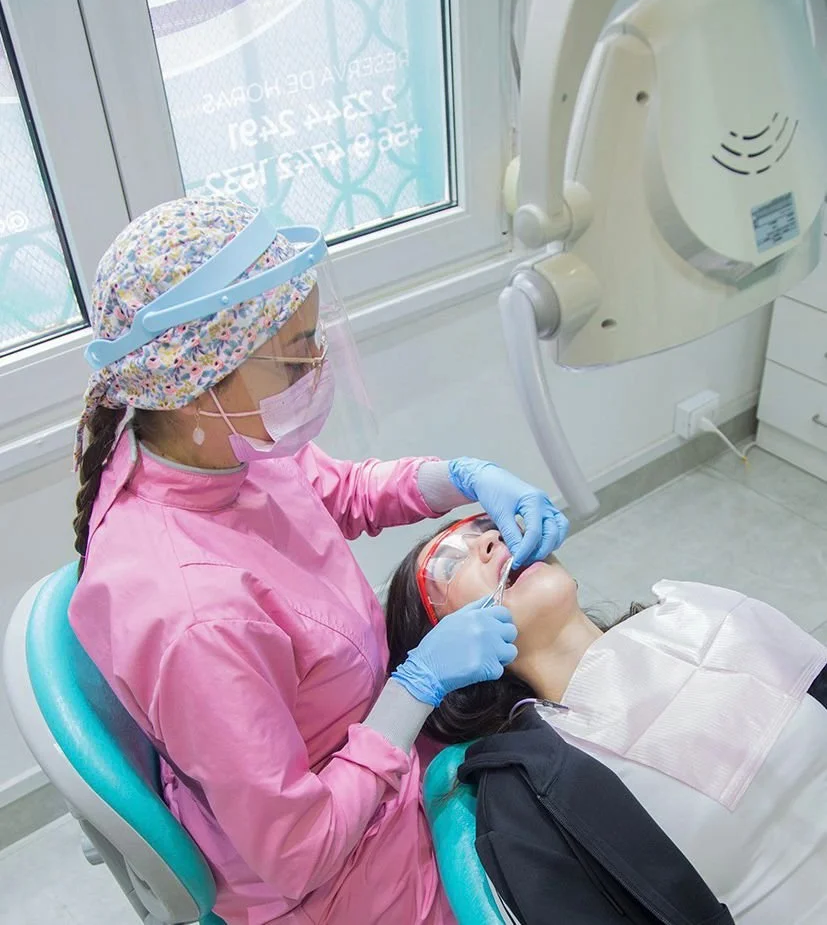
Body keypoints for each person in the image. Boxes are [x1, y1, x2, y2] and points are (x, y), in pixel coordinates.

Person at [68, 195, 570, 925]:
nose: (316, 363)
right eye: (294, 352)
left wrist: (459, 474)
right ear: (200, 384)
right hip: (331, 873)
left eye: (314, 336)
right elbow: (302, 850)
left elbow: (330, 488)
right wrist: (414, 688)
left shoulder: (206, 446)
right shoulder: (195, 617)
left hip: (361, 757)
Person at [385, 514, 827, 923]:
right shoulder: (523, 796)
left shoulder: (694, 615)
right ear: (445, 647)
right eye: (448, 564)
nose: (490, 538)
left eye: (489, 524)